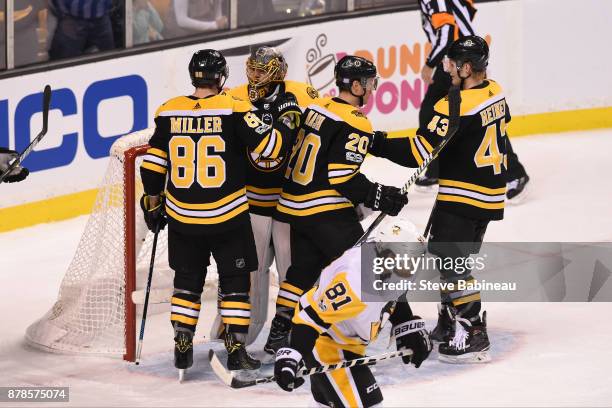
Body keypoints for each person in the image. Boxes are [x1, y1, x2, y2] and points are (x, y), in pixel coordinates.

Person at [139, 49, 301, 375]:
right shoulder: (234, 106)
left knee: (187, 282)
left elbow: (153, 165)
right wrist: (286, 122)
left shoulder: (169, 110)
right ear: (221, 77)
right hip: (228, 216)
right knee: (236, 283)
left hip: (183, 218)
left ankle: (182, 341)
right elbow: (270, 148)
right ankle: (237, 351)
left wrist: (153, 204)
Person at [265, 55, 409, 355]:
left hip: (294, 206)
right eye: (368, 83)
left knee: (301, 273)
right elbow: (342, 176)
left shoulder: (318, 106)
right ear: (355, 85)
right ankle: (403, 327)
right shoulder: (356, 120)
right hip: (324, 210)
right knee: (370, 266)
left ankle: (280, 334)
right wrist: (380, 195)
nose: (372, 89)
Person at [377, 36, 505, 362]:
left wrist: (374, 143)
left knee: (452, 265)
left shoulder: (454, 105)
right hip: (488, 196)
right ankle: (451, 322)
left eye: (451, 64)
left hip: (463, 196)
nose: (446, 69)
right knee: (449, 258)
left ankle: (473, 332)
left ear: (465, 67)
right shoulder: (495, 90)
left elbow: (417, 152)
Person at [209, 46, 321, 345]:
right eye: (253, 68)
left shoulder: (303, 95)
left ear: (278, 72)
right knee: (250, 274)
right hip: (252, 205)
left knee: (293, 274)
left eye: (263, 69)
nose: (255, 74)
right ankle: (236, 332)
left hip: (289, 204)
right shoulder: (233, 97)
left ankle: (294, 332)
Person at [273, 217, 432, 407]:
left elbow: (393, 295)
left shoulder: (387, 268)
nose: (412, 270)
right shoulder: (352, 281)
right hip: (327, 345)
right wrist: (292, 354)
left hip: (349, 344)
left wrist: (406, 324)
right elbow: (310, 319)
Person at [415, 0, 529, 202]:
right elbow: (465, 10)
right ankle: (436, 171)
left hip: (461, 65)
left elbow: (447, 33)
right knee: (437, 113)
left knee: (473, 115)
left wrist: (429, 64)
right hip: (462, 62)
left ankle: (515, 173)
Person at [49, 0, 115, 60]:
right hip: (72, 20)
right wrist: (64, 15)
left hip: (102, 18)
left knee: (109, 58)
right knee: (66, 60)